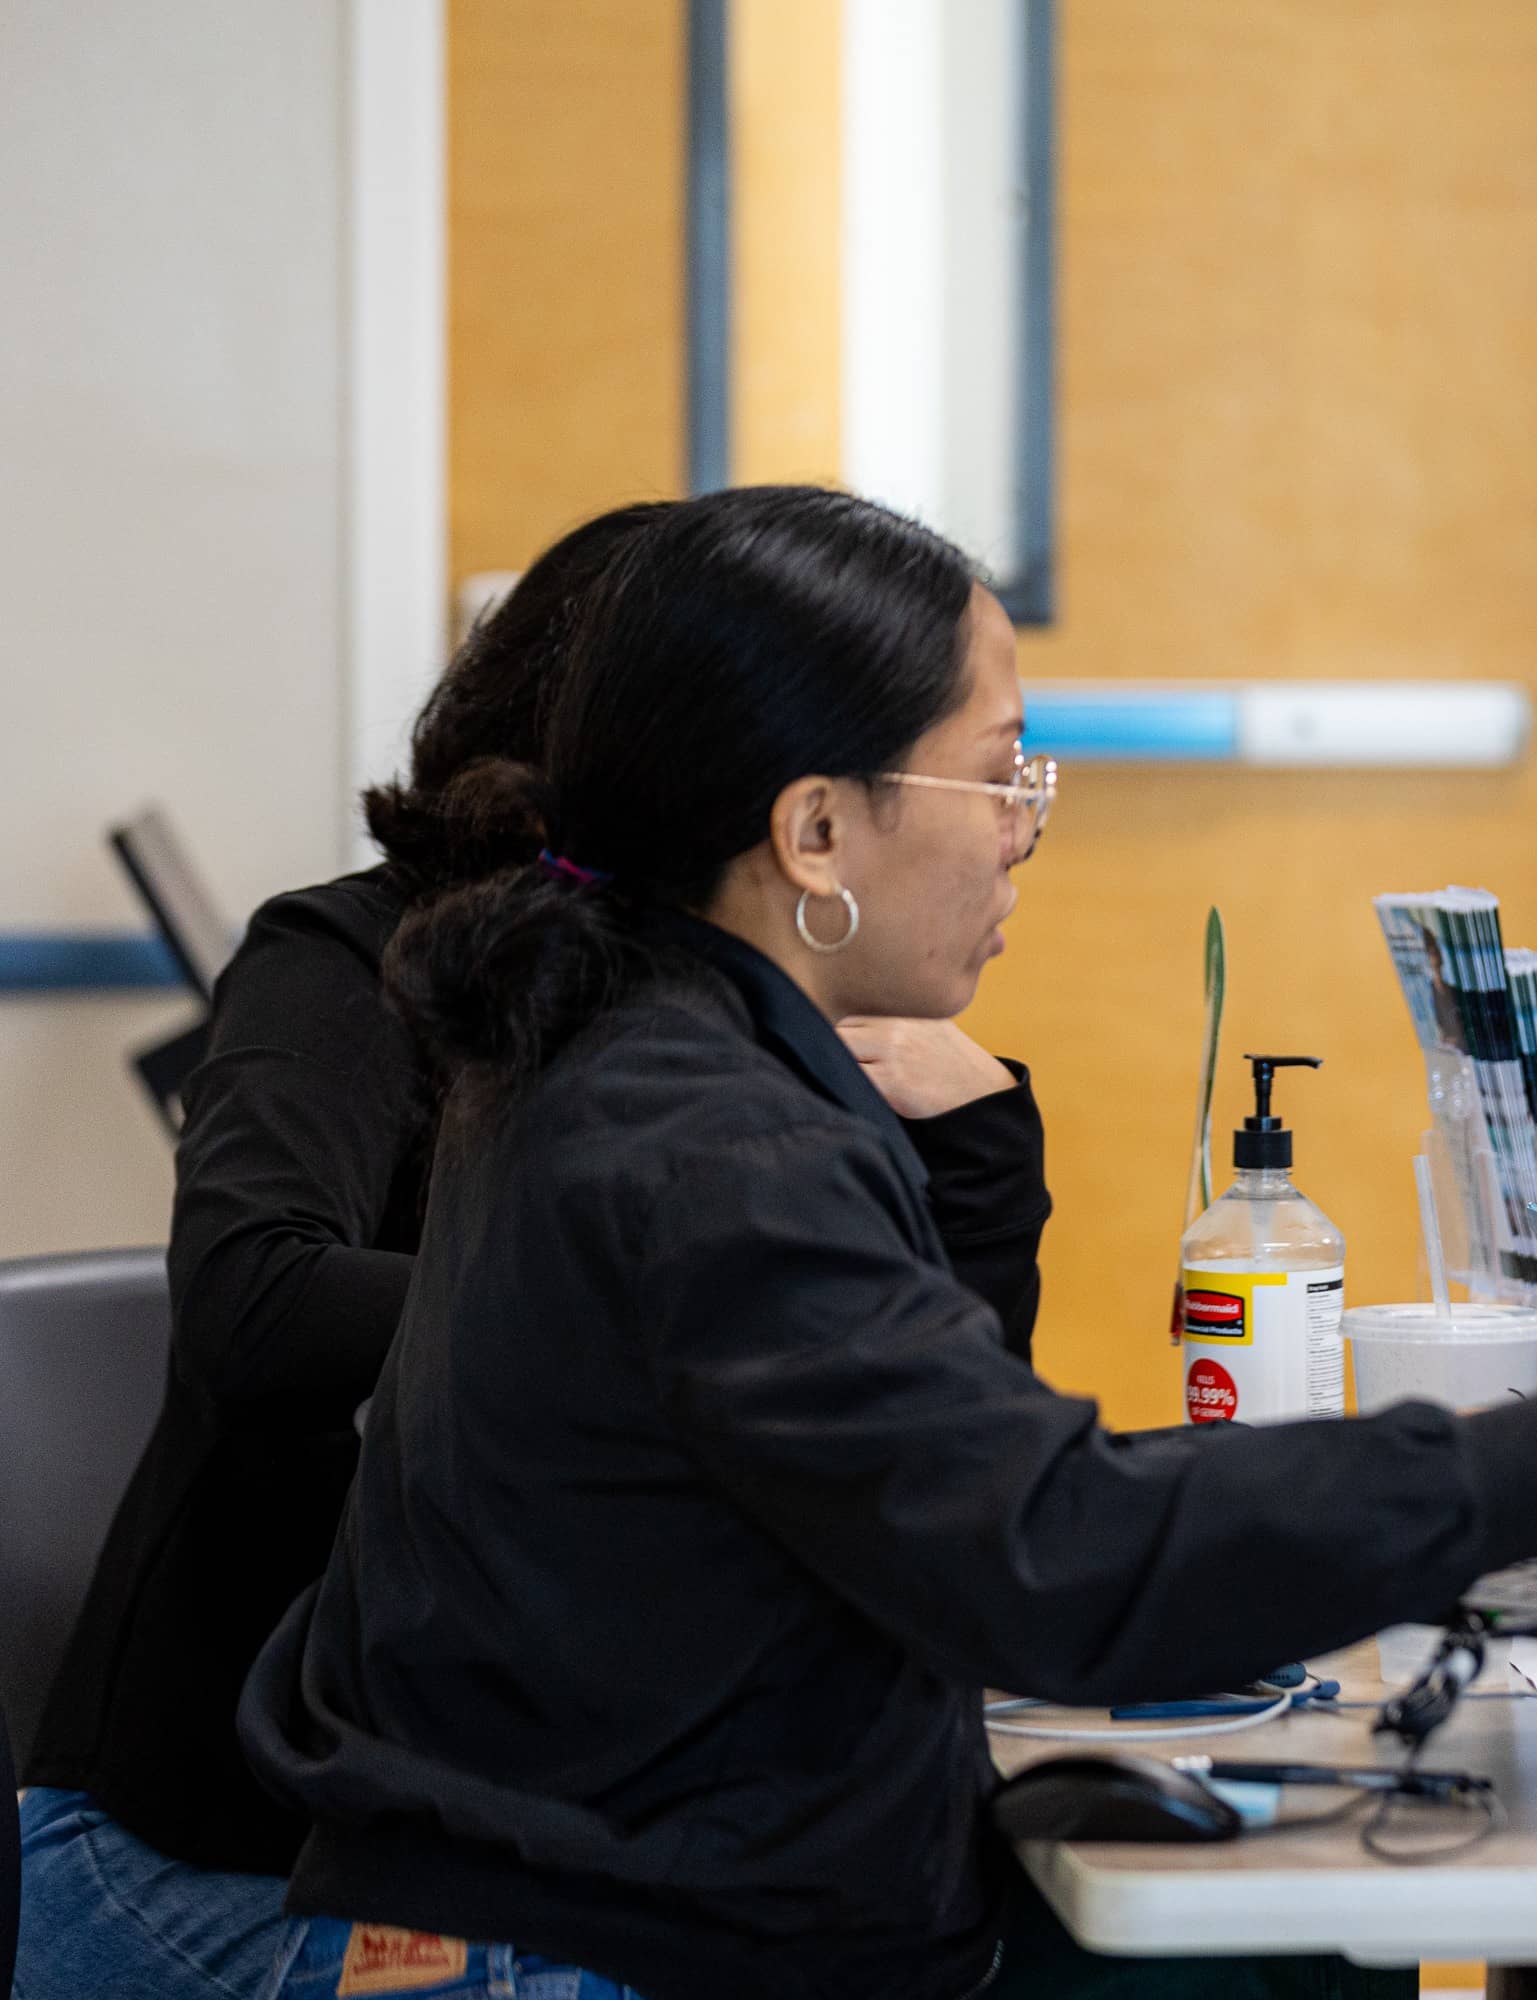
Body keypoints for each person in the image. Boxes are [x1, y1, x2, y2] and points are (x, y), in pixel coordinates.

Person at [236, 485, 1537, 2000]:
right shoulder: (706, 1147)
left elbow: (958, 1462)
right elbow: (1049, 1548)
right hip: (618, 1943)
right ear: (813, 832)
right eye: (999, 769)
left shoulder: (634, 1051)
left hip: (624, 1887)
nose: (1027, 823)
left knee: (1301, 1950)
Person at [14, 501, 1052, 2000]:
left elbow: (920, 1466)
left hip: (542, 1843)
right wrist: (620, 1326)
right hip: (236, 1856)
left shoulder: (737, 1021)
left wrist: (976, 1157)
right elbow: (254, 1297)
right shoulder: (352, 959)